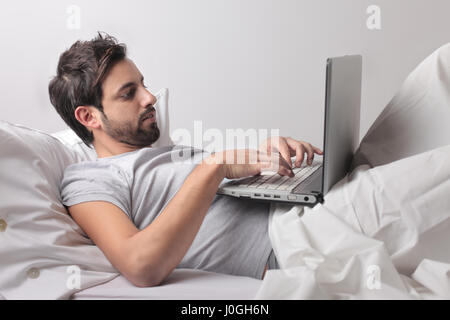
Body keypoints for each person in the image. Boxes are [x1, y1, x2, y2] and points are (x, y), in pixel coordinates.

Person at [49, 32, 323, 287]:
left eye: (143, 84)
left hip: (308, 210)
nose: (149, 97)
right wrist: (214, 167)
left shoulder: (169, 153)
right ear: (89, 117)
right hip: (295, 241)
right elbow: (140, 266)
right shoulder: (89, 178)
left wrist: (268, 160)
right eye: (129, 93)